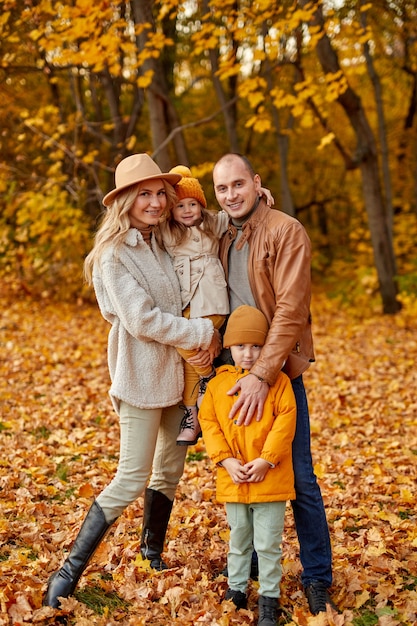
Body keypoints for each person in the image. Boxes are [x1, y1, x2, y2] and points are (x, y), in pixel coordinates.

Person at [43, 153, 221, 609]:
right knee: (130, 477)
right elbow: (142, 320)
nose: (156, 202)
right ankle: (67, 575)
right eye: (144, 193)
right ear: (123, 200)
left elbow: (209, 227)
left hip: (178, 376)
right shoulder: (113, 254)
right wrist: (202, 333)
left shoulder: (164, 240)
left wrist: (257, 201)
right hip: (141, 376)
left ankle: (151, 554)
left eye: (161, 192)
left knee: (169, 471)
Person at [212, 153, 336, 615]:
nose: (231, 195)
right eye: (222, 189)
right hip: (233, 373)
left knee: (298, 476)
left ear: (255, 182)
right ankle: (245, 568)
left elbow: (291, 310)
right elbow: (178, 214)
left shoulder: (286, 231)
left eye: (239, 185)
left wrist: (264, 375)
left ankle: (318, 576)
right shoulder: (220, 231)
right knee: (241, 471)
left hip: (277, 374)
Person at [199, 305, 297, 626]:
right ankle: (236, 589)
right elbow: (209, 424)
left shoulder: (279, 383)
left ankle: (269, 596)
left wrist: (267, 459)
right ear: (229, 347)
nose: (249, 354)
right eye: (241, 346)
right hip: (234, 477)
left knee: (267, 543)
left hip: (269, 477)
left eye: (257, 346)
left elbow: (285, 422)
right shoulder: (216, 386)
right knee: (239, 538)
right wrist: (225, 460)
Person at [158, 166, 230, 446]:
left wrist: (260, 193)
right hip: (186, 305)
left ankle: (208, 376)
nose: (187, 210)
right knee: (186, 356)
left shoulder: (214, 224)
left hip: (212, 303)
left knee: (184, 345)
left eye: (193, 204)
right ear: (172, 211)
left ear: (201, 205)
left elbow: (238, 211)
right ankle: (193, 414)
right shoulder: (168, 232)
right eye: (180, 206)